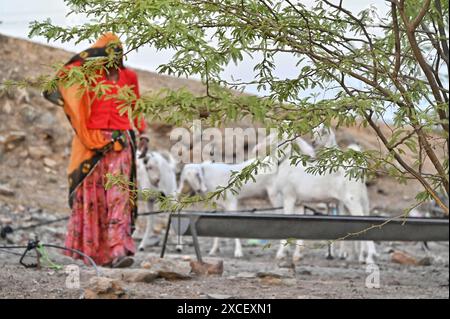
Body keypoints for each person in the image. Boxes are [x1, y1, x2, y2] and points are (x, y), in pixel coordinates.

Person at [44, 33, 148, 267]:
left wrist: (144, 132)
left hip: (121, 142)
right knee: (92, 196)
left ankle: (118, 250)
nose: (113, 58)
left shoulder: (129, 76)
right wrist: (85, 57)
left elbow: (136, 106)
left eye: (117, 52)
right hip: (90, 143)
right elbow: (65, 77)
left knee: (119, 195)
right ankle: (95, 253)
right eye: (107, 53)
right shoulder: (89, 75)